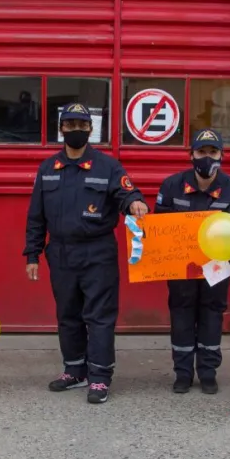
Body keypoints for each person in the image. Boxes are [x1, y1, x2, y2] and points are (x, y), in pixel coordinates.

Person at [24, 102, 148, 404]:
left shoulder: (107, 166)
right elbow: (36, 216)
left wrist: (135, 202)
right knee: (68, 315)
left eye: (82, 125)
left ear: (91, 129)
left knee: (99, 317)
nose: (76, 130)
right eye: (70, 125)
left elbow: (125, 191)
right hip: (61, 253)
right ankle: (75, 371)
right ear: (61, 129)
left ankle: (100, 378)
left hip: (98, 252)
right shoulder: (48, 169)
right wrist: (32, 254)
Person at [154, 129, 230, 394]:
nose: (207, 157)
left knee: (211, 315)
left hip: (217, 266)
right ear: (191, 155)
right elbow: (159, 227)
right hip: (181, 265)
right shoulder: (171, 186)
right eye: (201, 152)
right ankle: (182, 373)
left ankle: (208, 372)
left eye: (213, 152)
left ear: (222, 155)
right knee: (181, 314)